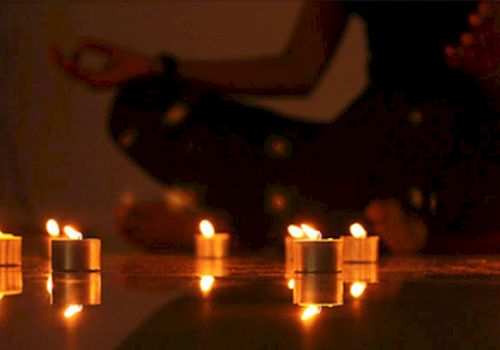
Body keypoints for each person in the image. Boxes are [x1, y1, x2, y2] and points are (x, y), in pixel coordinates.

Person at [50, 1, 499, 254]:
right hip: (371, 140)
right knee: (144, 105)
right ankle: (365, 225)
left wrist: (491, 71)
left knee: (430, 125)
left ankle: (238, 226)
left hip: (469, 137)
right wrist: (158, 67)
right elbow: (299, 68)